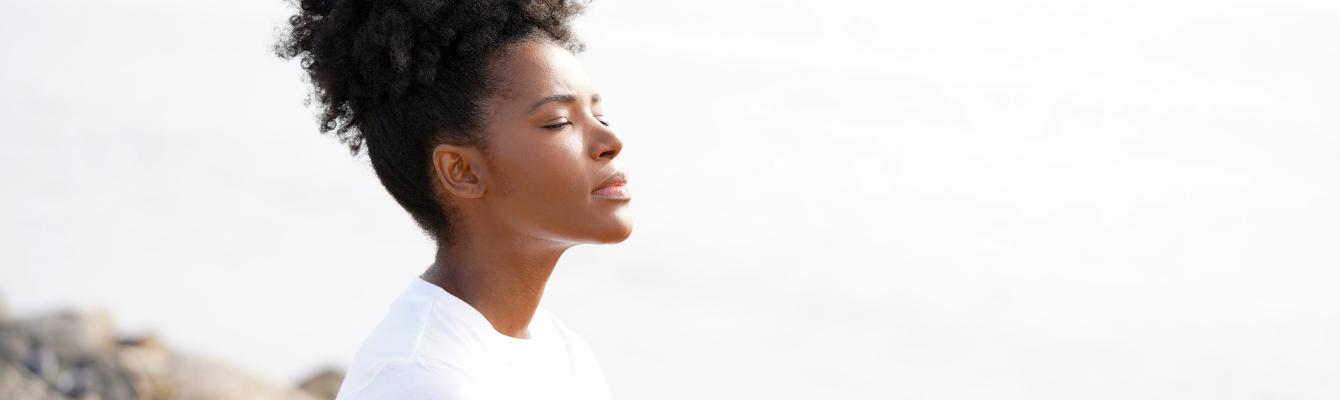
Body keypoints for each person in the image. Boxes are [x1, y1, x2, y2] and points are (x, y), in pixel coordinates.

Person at [276, 0, 629, 398]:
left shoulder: (562, 352)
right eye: (559, 122)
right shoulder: (420, 379)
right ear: (461, 171)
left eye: (599, 116)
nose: (610, 142)